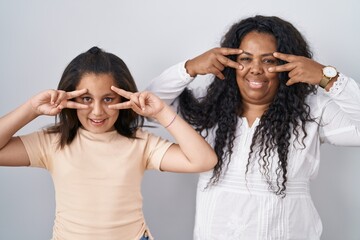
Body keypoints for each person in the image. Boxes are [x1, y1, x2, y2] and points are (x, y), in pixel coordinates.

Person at [147, 15, 360, 239]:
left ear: (288, 66)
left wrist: (328, 78)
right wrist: (189, 68)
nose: (255, 69)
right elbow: (148, 105)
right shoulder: (207, 109)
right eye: (245, 59)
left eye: (268, 61)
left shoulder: (312, 112)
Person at [0, 46, 217, 240]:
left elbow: (203, 160)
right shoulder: (51, 143)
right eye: (86, 99)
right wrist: (32, 109)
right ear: (71, 99)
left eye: (107, 99)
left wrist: (161, 112)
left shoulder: (140, 143)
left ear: (122, 99)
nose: (97, 111)